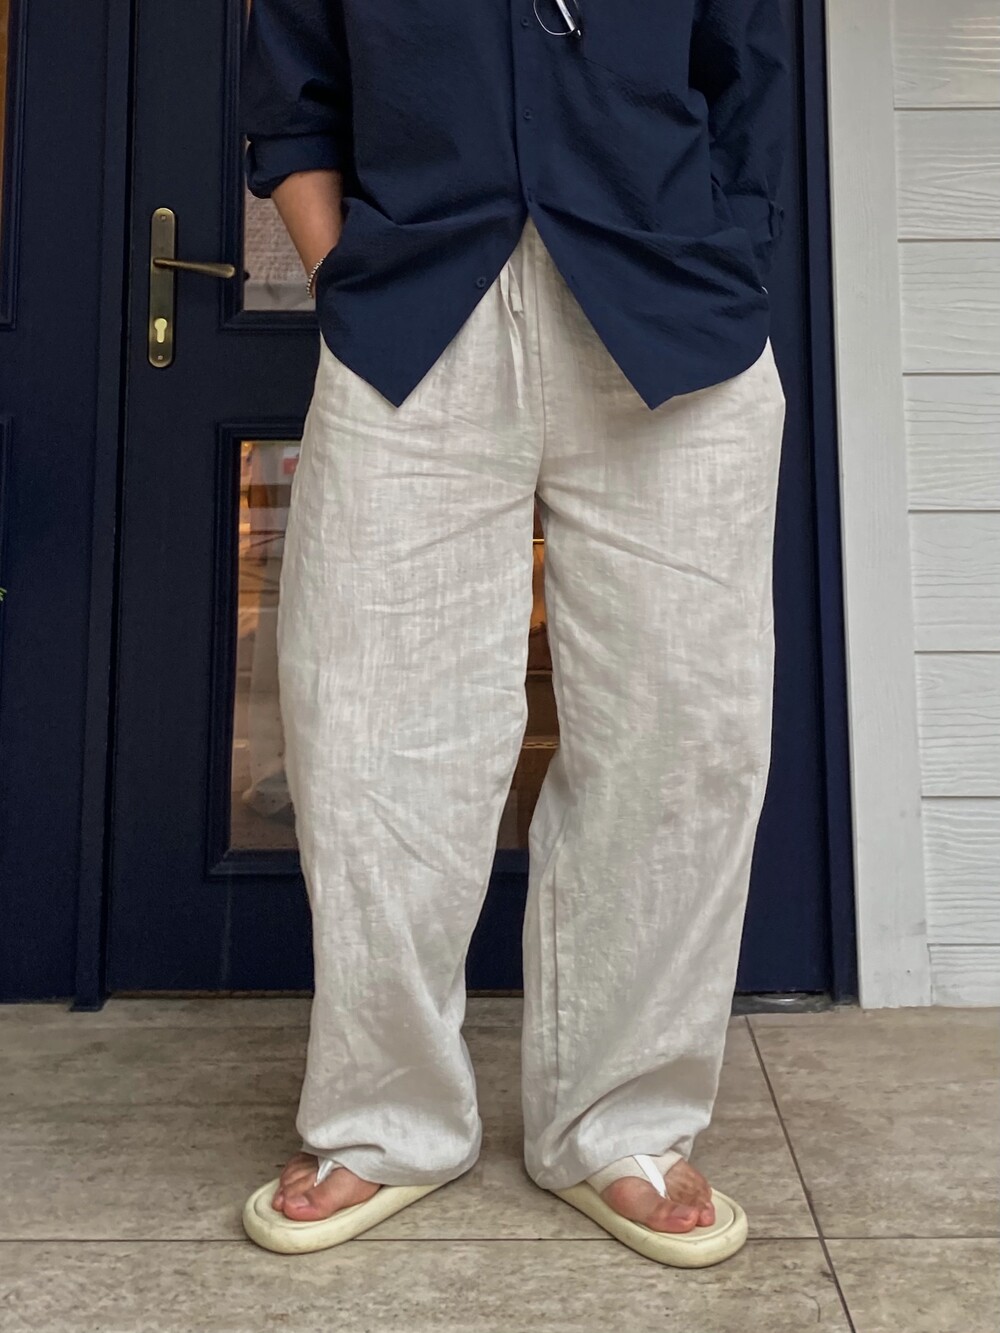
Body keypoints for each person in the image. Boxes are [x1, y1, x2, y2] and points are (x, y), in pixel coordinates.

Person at [237, 0, 790, 1268]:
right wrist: (345, 280)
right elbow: (293, 97)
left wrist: (727, 255)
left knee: (679, 733)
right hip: (414, 319)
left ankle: (624, 1124)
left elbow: (749, 80)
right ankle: (386, 1120)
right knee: (370, 735)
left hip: (672, 314)